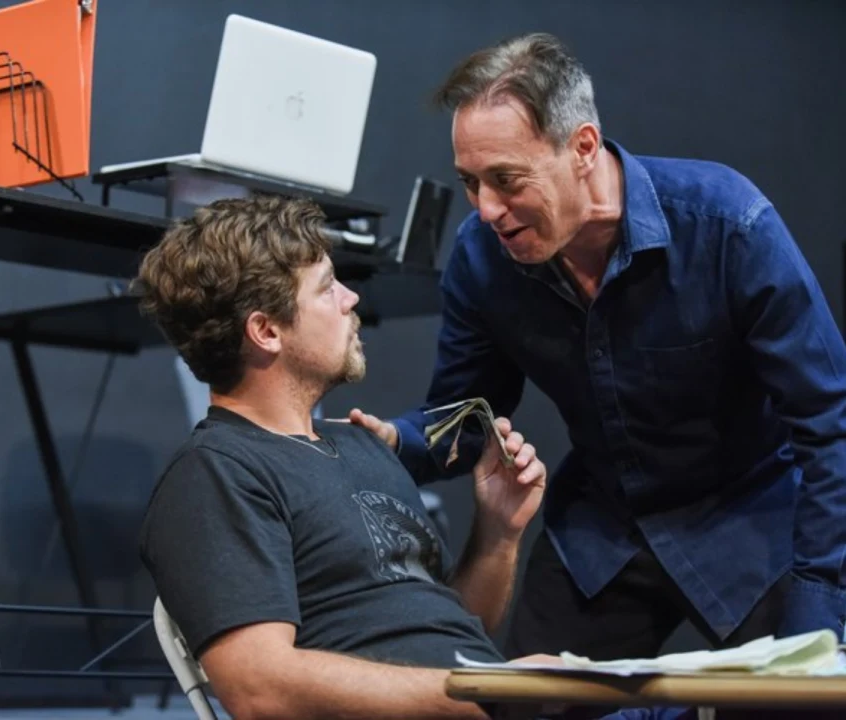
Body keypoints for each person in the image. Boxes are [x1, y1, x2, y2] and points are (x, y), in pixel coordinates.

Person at [350, 32, 846, 663]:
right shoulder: (481, 258)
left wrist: (820, 593)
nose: (487, 210)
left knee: (804, 700)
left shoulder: (729, 227)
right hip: (604, 531)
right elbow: (465, 418)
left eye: (507, 179)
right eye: (471, 183)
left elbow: (829, 425)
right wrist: (395, 444)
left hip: (750, 521)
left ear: (582, 147)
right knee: (521, 702)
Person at [134, 195, 563, 719]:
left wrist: (498, 532)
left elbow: (449, 631)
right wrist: (484, 687)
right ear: (266, 331)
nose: (350, 297)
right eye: (327, 287)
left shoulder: (364, 447)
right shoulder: (215, 475)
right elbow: (258, 689)